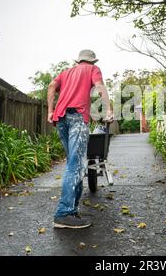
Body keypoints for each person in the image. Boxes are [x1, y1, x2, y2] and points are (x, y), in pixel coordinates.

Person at [47, 49, 113, 229]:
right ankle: (63, 214)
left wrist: (50, 111)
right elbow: (100, 88)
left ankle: (72, 210)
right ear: (92, 61)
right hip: (77, 117)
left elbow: (51, 86)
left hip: (60, 118)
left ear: (79, 60)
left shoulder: (66, 72)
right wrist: (109, 110)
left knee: (74, 164)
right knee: (76, 165)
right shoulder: (93, 69)